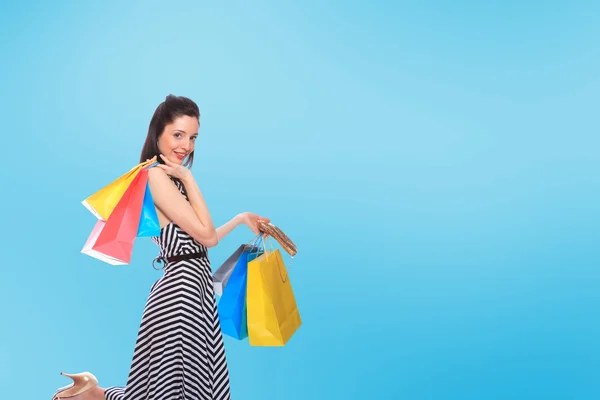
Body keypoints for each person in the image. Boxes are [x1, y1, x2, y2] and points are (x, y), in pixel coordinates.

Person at [51, 94, 270, 400]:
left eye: (192, 137)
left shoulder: (170, 179)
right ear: (158, 134)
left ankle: (91, 390)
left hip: (195, 289)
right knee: (171, 393)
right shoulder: (157, 176)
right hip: (181, 296)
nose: (186, 146)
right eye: (178, 135)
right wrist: (188, 178)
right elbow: (206, 237)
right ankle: (91, 392)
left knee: (180, 391)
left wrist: (240, 219)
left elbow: (201, 240)